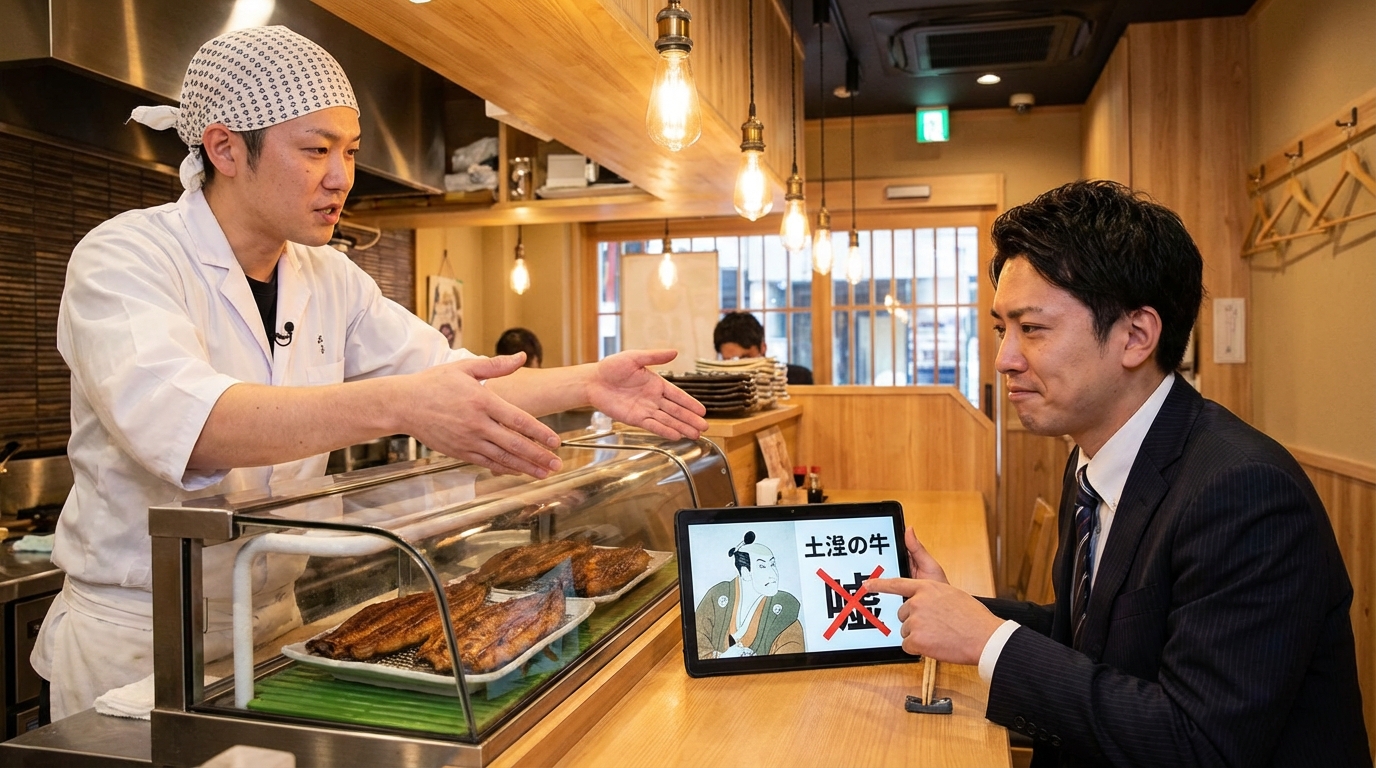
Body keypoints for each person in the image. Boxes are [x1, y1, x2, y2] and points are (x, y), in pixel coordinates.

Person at [34, 25, 706, 722]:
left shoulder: (327, 276)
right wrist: (398, 406)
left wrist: (587, 382)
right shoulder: (125, 259)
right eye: (315, 150)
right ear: (225, 147)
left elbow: (448, 381)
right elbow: (196, 429)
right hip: (139, 643)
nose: (341, 177)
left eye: (350, 152)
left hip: (277, 629)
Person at [868, 181, 1370, 766]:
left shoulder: (1245, 491)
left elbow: (1200, 746)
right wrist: (957, 609)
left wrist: (985, 641)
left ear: (1135, 336)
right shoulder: (1093, 455)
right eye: (1003, 328)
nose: (1003, 357)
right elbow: (1090, 635)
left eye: (1031, 329)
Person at [695, 531, 803, 659]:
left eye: (773, 564)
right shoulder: (718, 596)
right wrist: (722, 658)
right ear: (745, 572)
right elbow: (696, 642)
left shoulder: (784, 607)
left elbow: (792, 655)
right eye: (762, 566)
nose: (773, 574)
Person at [712, 311, 813, 385]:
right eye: (729, 361)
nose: (738, 367)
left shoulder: (798, 378)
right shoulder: (716, 386)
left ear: (763, 348)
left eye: (746, 358)